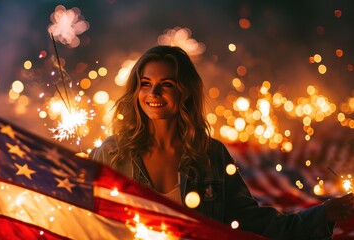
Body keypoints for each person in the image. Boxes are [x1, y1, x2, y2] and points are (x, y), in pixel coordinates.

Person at [88, 45, 354, 239]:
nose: (153, 93)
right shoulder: (112, 154)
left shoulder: (210, 155)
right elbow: (83, 218)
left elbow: (253, 221)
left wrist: (322, 214)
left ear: (185, 91)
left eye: (166, 84)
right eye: (145, 83)